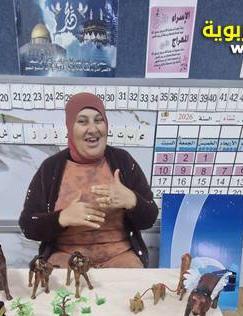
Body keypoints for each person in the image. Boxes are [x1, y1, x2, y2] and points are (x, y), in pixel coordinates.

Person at [19, 92, 159, 268]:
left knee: (133, 285)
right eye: (82, 121)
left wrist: (132, 201)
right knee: (58, 285)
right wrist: (62, 218)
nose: (93, 129)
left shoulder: (123, 161)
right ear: (70, 127)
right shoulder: (51, 168)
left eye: (98, 120)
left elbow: (149, 218)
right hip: (67, 259)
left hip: (120, 257)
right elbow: (28, 225)